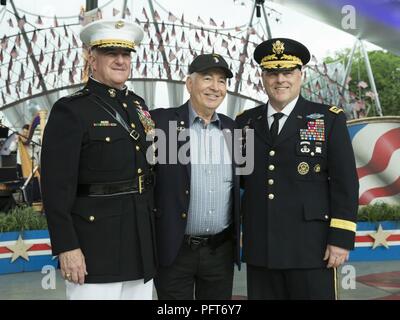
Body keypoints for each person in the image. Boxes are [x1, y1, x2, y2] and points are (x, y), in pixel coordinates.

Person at [41, 19, 157, 300]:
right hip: (94, 248)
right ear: (92, 59)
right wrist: (66, 247)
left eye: (126, 54)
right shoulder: (71, 110)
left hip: (139, 244)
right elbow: (55, 188)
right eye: (110, 53)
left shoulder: (138, 105)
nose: (120, 60)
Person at [236, 38, 359, 300]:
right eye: (272, 72)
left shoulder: (328, 119)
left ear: (301, 75)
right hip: (262, 249)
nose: (280, 79)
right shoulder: (245, 122)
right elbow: (235, 181)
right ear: (263, 77)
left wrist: (341, 238)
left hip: (311, 248)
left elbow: (345, 183)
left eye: (288, 72)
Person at [150, 54, 241, 300]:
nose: (215, 87)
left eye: (221, 81)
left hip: (220, 252)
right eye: (207, 78)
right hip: (174, 250)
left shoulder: (236, 131)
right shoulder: (161, 123)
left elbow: (245, 188)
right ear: (189, 84)